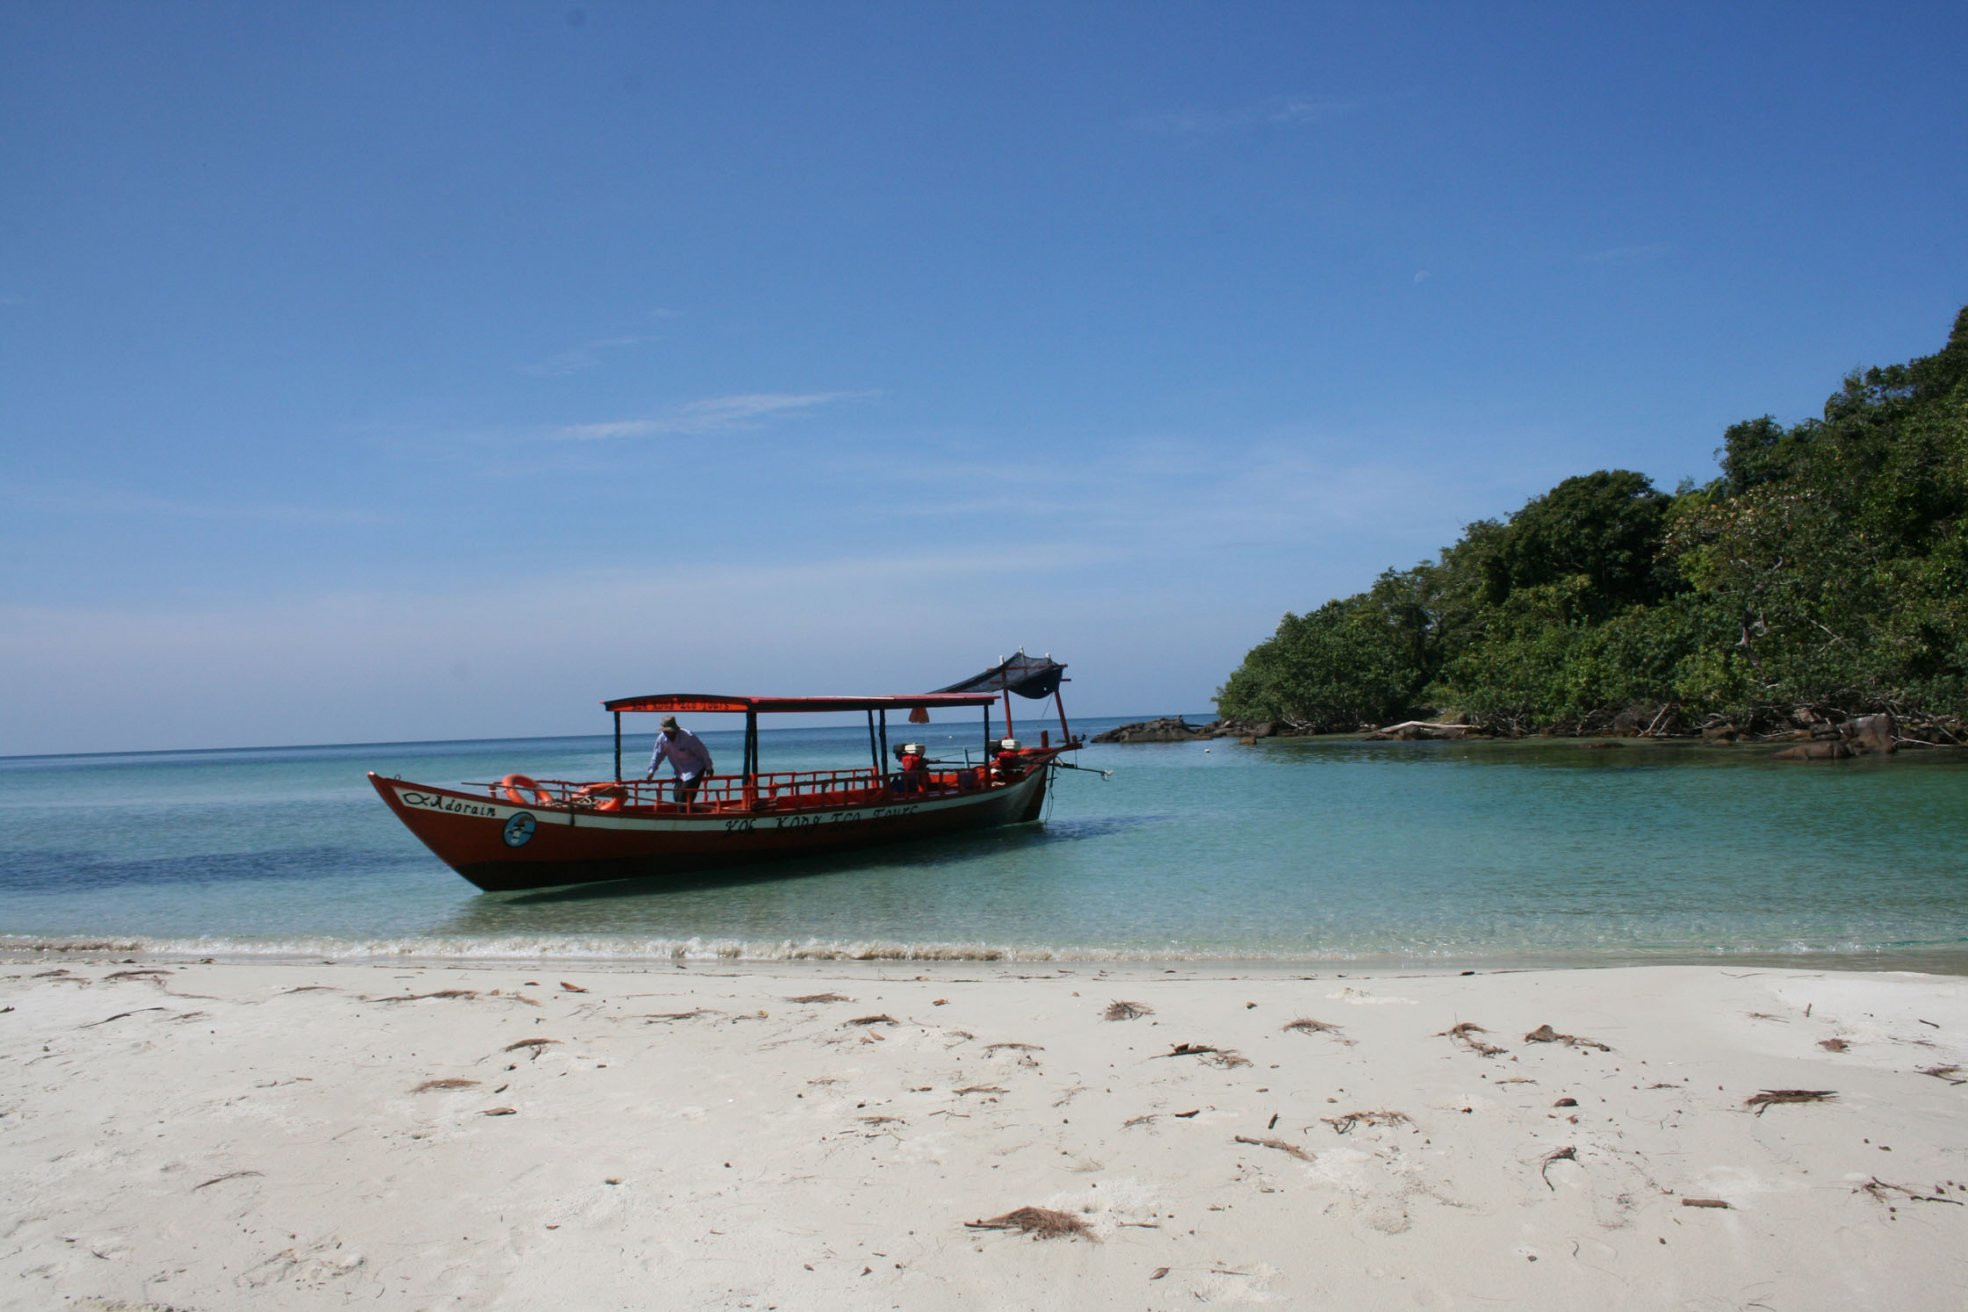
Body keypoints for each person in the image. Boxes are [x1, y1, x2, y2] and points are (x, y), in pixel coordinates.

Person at [646, 715, 714, 806]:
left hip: (695, 769)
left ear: (674, 730)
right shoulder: (662, 739)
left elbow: (702, 751)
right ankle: (694, 811)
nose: (667, 733)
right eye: (665, 731)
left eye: (668, 731)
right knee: (677, 797)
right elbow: (657, 755)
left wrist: (708, 767)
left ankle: (688, 816)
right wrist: (651, 771)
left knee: (683, 799)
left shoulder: (688, 736)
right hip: (680, 771)